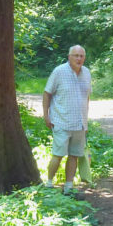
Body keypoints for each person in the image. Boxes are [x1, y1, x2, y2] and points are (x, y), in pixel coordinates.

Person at [43, 45, 92, 196]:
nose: (79, 58)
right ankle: (49, 183)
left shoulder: (87, 73)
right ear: (69, 57)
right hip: (61, 122)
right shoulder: (59, 71)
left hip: (79, 124)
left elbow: (87, 97)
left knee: (74, 155)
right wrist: (46, 115)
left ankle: (68, 186)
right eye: (75, 55)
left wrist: (86, 121)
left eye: (81, 56)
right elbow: (47, 93)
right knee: (57, 155)